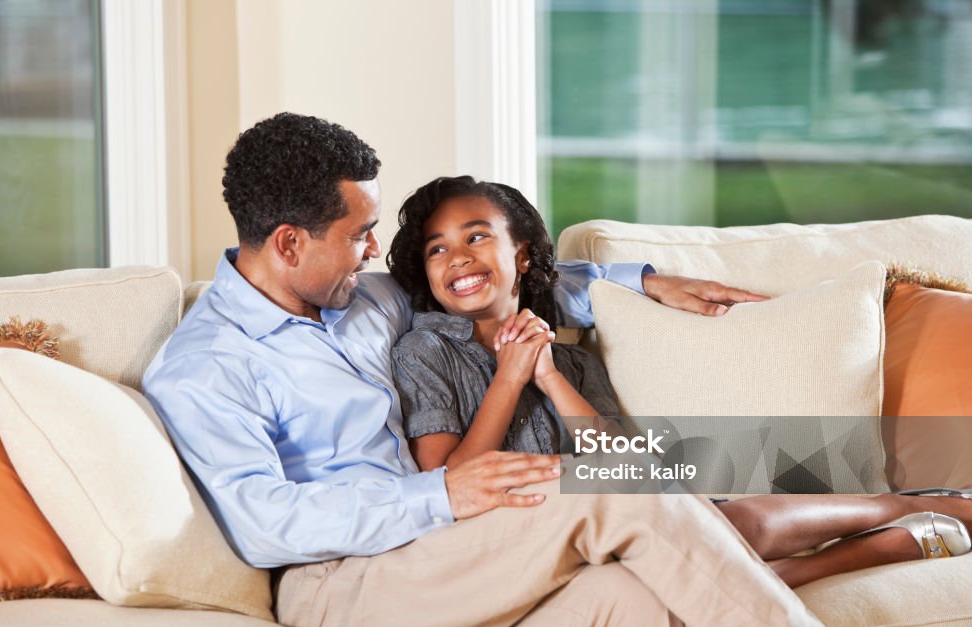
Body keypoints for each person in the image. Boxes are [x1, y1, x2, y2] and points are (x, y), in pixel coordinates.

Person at [142, 112, 958, 627]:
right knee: (619, 489)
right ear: (288, 242)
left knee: (630, 604)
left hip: (445, 556)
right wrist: (438, 493)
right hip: (342, 585)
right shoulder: (204, 367)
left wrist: (639, 279)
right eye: (358, 234)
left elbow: (490, 284)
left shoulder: (360, 301)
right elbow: (260, 521)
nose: (369, 251)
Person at [386, 174, 972, 591]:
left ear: (523, 253)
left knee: (736, 520)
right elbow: (449, 481)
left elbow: (626, 465)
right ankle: (895, 520)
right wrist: (509, 380)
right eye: (437, 249)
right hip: (510, 535)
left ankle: (899, 523)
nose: (456, 257)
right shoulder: (425, 352)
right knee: (721, 528)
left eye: (476, 236)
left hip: (601, 511)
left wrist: (546, 375)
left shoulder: (571, 362)